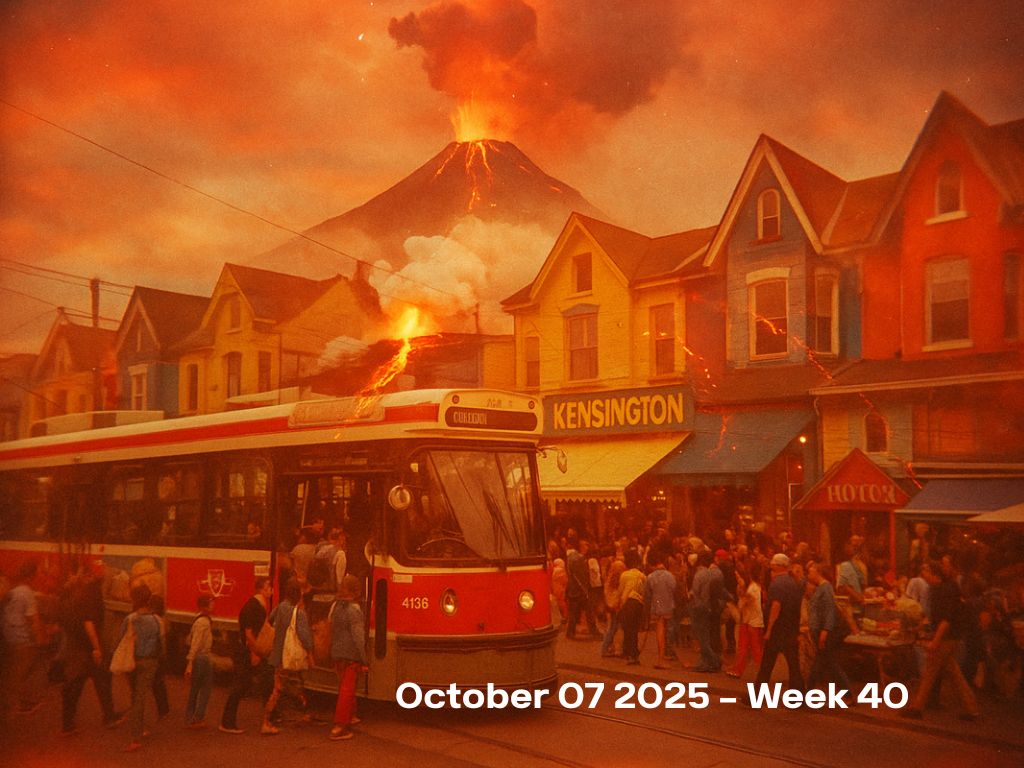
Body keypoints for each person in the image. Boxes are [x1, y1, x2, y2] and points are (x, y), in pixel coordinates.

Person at [900, 559, 980, 721]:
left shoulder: (941, 590)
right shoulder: (947, 587)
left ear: (934, 573)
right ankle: (972, 709)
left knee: (929, 672)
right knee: (954, 673)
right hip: (954, 636)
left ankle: (916, 707)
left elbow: (946, 618)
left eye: (926, 570)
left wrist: (935, 640)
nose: (923, 574)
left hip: (946, 637)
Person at [60, 563, 120, 735]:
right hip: (87, 649)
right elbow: (89, 623)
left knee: (75, 686)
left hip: (75, 647)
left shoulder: (68, 595)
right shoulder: (90, 594)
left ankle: (68, 723)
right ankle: (109, 717)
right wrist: (96, 648)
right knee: (101, 682)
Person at [747, 553, 805, 702]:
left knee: (767, 664)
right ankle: (797, 698)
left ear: (778, 566)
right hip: (791, 628)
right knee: (793, 665)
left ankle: (756, 697)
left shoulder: (777, 583)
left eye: (773, 565)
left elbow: (776, 607)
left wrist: (769, 629)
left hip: (778, 630)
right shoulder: (793, 582)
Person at [220, 577, 274, 734]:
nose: (271, 589)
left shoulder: (258, 606)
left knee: (252, 683)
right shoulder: (254, 607)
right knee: (241, 685)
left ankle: (267, 719)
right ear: (261, 590)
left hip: (250, 650)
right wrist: (254, 652)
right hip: (249, 651)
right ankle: (228, 722)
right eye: (268, 586)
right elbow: (249, 633)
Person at [262, 580, 314, 735]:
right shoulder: (299, 613)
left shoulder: (278, 607)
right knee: (285, 686)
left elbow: (270, 621)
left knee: (284, 685)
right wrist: (311, 653)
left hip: (277, 653)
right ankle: (266, 721)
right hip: (290, 655)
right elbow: (305, 636)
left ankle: (302, 713)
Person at [120, 583, 163, 752]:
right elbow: (161, 643)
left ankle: (139, 728)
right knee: (140, 697)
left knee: (134, 695)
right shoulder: (156, 620)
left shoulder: (129, 619)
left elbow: (122, 639)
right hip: (149, 661)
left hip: (131, 660)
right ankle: (136, 736)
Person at [2, 560, 45, 715]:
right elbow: (34, 620)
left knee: (17, 670)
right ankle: (17, 704)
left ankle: (22, 700)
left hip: (8, 637)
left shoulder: (12, 590)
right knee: (21, 672)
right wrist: (40, 638)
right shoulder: (28, 593)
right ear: (32, 576)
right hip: (21, 638)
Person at [329, 575, 367, 741]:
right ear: (356, 591)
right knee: (347, 690)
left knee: (344, 688)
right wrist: (364, 659)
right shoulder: (354, 609)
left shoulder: (337, 606)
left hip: (337, 652)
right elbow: (359, 637)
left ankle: (352, 715)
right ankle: (339, 727)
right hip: (350, 654)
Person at [805, 562, 852, 694]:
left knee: (829, 664)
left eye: (811, 572)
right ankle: (807, 692)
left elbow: (829, 611)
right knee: (823, 663)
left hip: (823, 633)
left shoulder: (825, 588)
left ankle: (806, 692)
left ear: (818, 572)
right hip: (819, 632)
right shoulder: (820, 588)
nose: (809, 575)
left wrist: (825, 632)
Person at [688, 550, 730, 673]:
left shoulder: (699, 575)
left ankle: (714, 660)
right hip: (707, 606)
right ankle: (706, 662)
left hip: (698, 606)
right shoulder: (709, 574)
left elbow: (695, 591)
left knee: (701, 638)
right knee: (705, 636)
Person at [728, 562, 764, 678]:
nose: (738, 580)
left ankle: (764, 670)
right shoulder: (755, 587)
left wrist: (742, 596)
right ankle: (739, 669)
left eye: (739, 577)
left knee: (753, 648)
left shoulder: (752, 589)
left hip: (751, 621)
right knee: (745, 647)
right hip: (748, 621)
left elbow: (746, 603)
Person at [184, 594, 215, 728]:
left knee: (198, 688)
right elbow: (195, 643)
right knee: (203, 688)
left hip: (201, 657)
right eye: (211, 602)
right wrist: (190, 662)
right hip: (202, 657)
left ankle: (192, 717)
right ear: (204, 607)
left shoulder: (201, 619)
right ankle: (195, 717)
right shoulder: (202, 622)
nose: (213, 605)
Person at [643, 552, 677, 669]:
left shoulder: (650, 577)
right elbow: (674, 590)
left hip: (656, 608)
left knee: (660, 633)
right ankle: (668, 652)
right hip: (669, 607)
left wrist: (647, 610)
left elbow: (647, 595)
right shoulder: (670, 576)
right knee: (668, 631)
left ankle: (660, 658)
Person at [616, 551, 646, 665]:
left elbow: (620, 590)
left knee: (627, 629)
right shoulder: (640, 574)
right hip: (638, 603)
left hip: (627, 602)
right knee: (634, 628)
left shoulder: (624, 575)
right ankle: (633, 652)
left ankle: (630, 653)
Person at [600, 555, 627, 658]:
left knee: (613, 627)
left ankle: (607, 647)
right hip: (616, 606)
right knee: (613, 628)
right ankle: (604, 649)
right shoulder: (617, 579)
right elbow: (618, 593)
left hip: (610, 606)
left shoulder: (609, 577)